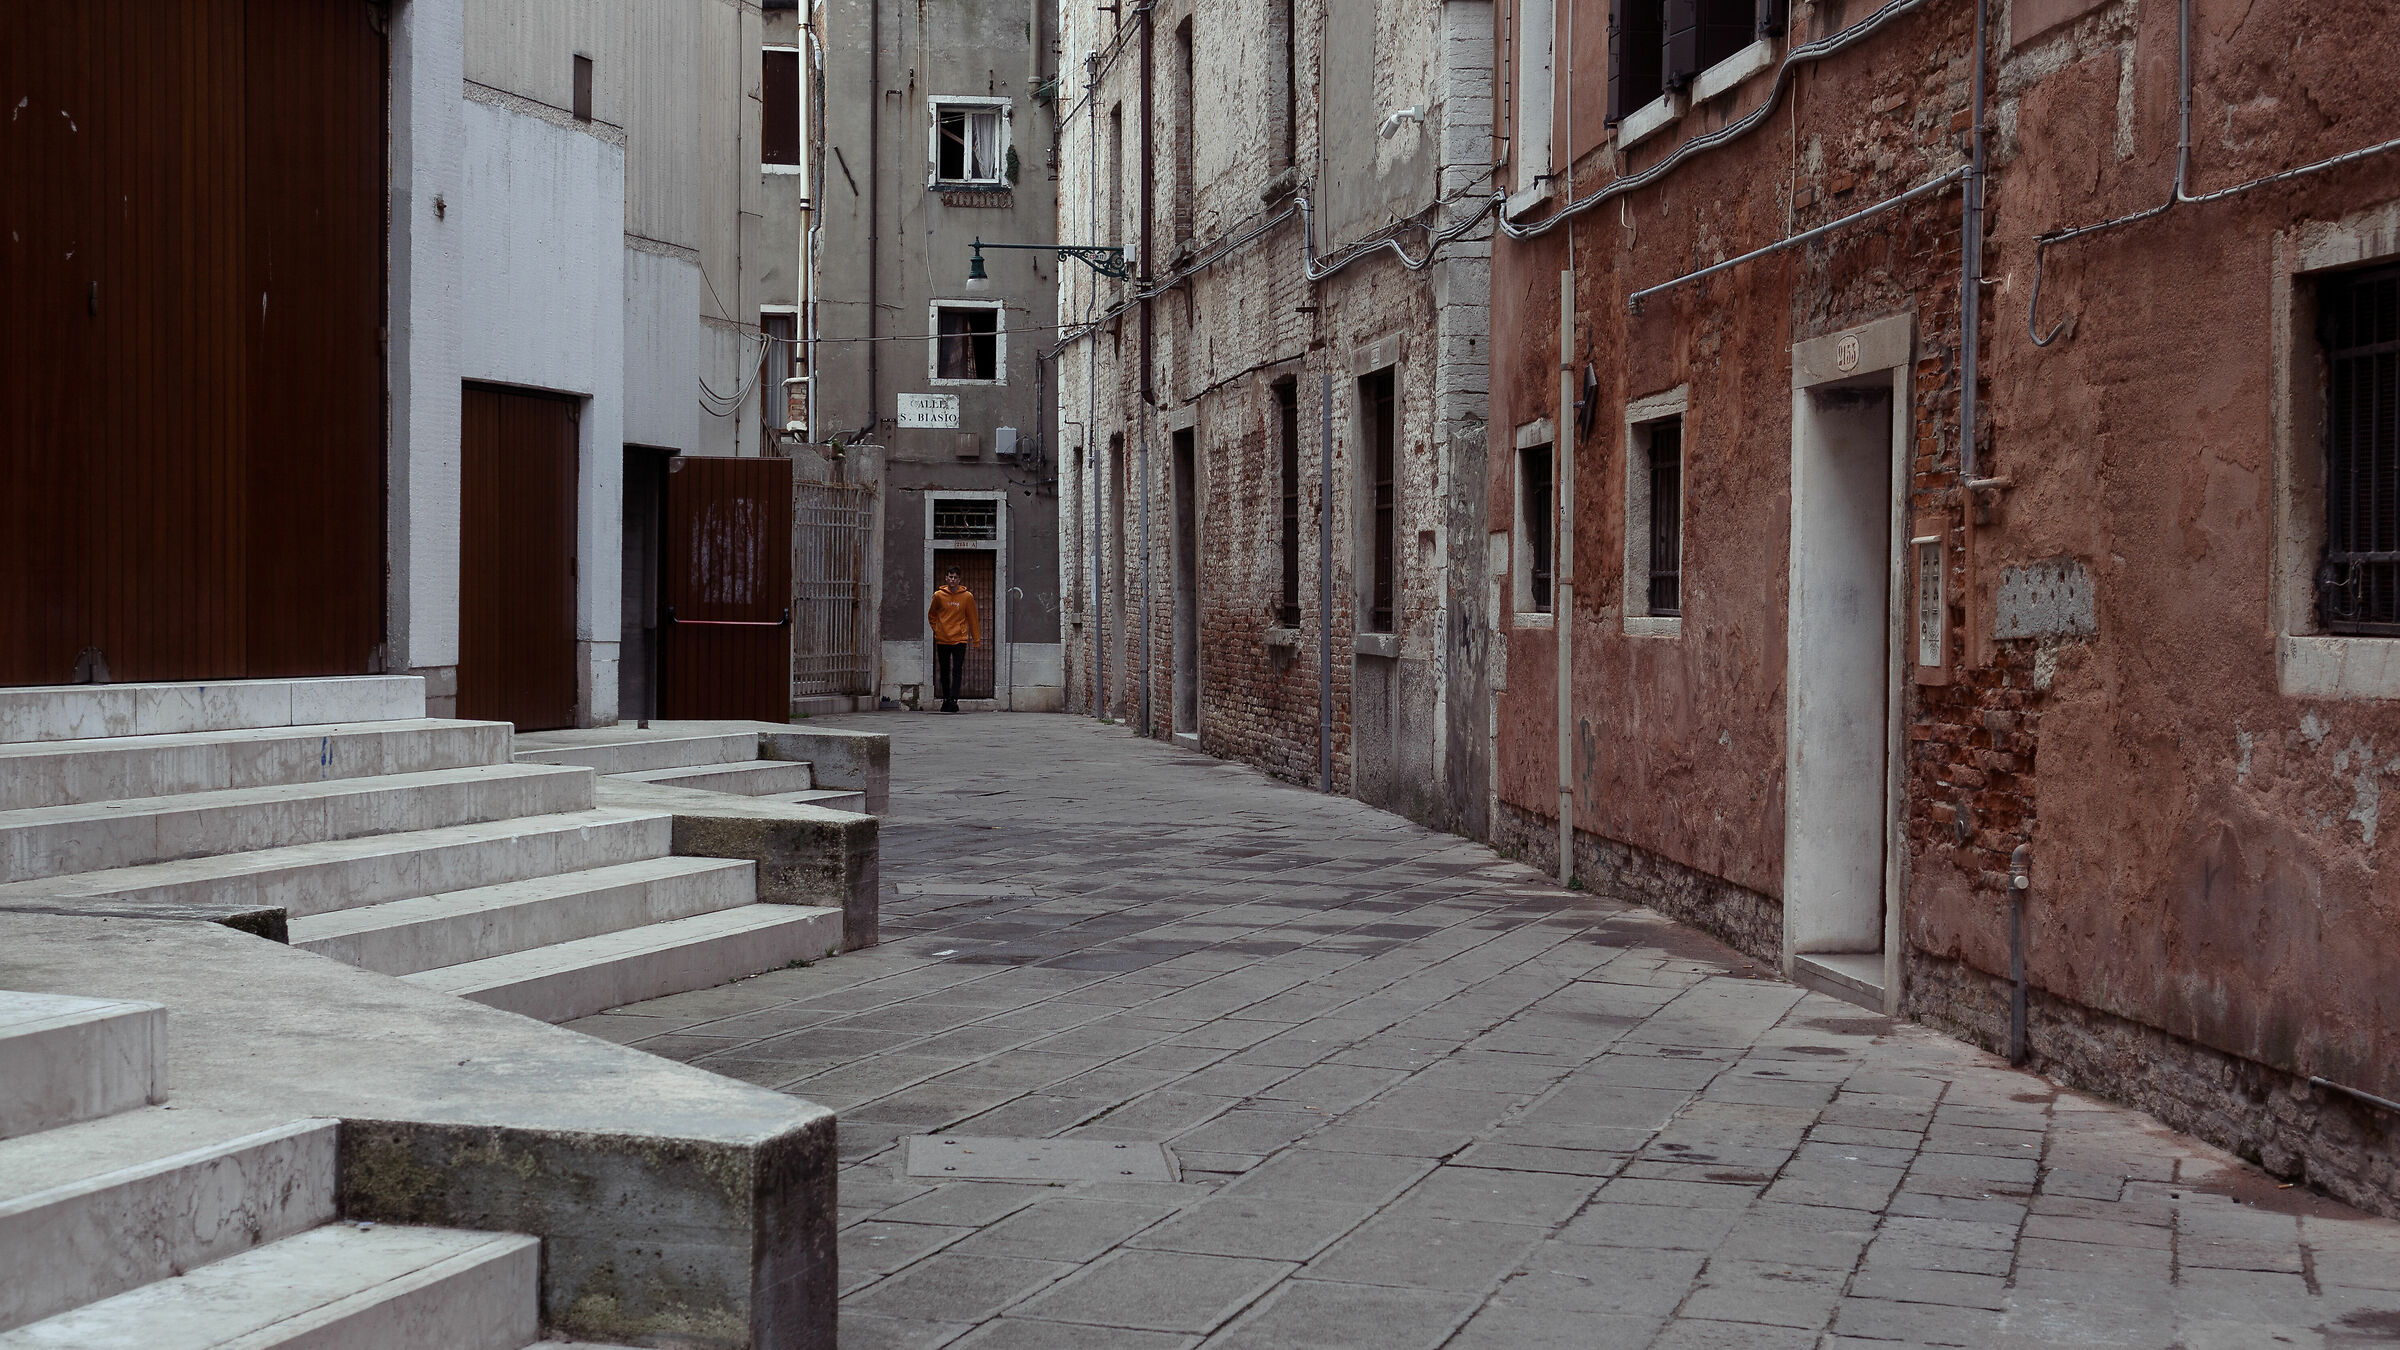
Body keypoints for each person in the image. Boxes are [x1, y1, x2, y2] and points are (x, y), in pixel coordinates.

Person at [926, 566, 981, 713]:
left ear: (959, 580)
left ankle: (953, 700)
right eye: (950, 577)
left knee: (957, 669)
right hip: (942, 639)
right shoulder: (938, 596)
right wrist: (938, 629)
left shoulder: (967, 597)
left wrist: (976, 640)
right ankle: (945, 699)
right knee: (944, 671)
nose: (952, 580)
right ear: (946, 578)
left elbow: (973, 619)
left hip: (960, 639)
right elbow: (931, 615)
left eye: (955, 577)